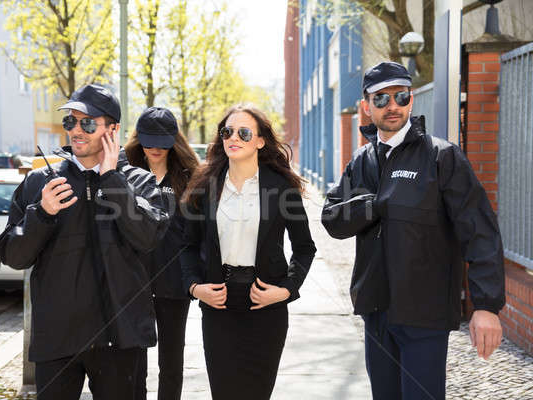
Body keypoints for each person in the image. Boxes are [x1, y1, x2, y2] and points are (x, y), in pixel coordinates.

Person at [321, 62, 505, 400]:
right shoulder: (362, 161)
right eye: (381, 99)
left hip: (425, 313)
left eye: (401, 96)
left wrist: (486, 305)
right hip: (377, 311)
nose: (392, 105)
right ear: (366, 106)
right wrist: (374, 205)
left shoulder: (442, 156)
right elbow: (332, 219)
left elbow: (480, 232)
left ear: (410, 101)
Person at [0, 84, 170, 400]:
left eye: (87, 123)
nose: (76, 130)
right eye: (70, 122)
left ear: (112, 130)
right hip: (57, 342)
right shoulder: (40, 182)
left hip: (121, 339)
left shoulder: (139, 182)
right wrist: (42, 213)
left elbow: (148, 237)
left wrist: (113, 181)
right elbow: (14, 256)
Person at [180, 104, 316, 400]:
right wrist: (194, 287)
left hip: (265, 307)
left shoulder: (282, 188)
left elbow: (305, 248)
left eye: (244, 132)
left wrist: (286, 290)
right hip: (219, 306)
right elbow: (187, 246)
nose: (234, 138)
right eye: (227, 131)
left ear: (260, 141)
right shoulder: (205, 186)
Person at [124, 106, 199, 400]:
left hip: (174, 284)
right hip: (133, 283)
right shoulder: (124, 173)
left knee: (171, 362)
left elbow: (197, 234)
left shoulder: (189, 177)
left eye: (161, 141)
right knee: (134, 364)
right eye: (148, 140)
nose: (154, 148)